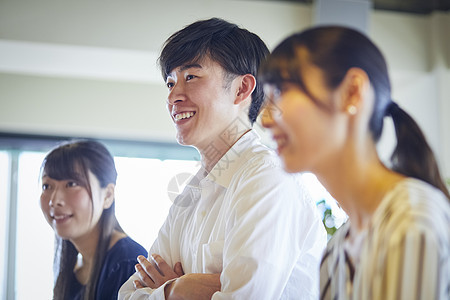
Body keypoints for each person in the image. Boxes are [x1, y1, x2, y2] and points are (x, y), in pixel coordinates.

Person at [119, 17, 327, 299]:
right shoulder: (191, 193)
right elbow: (127, 294)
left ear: (242, 89)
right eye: (170, 83)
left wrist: (168, 291)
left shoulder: (266, 178)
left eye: (191, 77)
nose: (173, 97)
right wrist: (176, 290)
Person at [259, 25, 450, 299]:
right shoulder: (337, 250)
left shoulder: (411, 221)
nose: (265, 119)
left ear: (352, 92)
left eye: (279, 92)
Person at [40, 140, 147, 299]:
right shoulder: (75, 267)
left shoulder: (129, 262)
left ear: (108, 195)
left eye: (71, 184)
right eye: (47, 186)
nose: (54, 200)